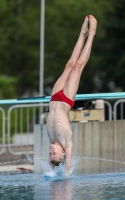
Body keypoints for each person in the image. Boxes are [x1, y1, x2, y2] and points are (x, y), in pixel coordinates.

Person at [47, 15, 97, 173]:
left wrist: (51, 170)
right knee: (78, 66)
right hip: (65, 100)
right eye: (53, 154)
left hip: (54, 97)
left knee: (69, 64)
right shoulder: (66, 143)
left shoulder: (52, 140)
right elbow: (67, 169)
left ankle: (82, 32)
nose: (50, 151)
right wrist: (65, 175)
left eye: (50, 154)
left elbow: (50, 168)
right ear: (62, 153)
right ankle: (92, 34)